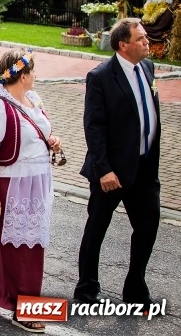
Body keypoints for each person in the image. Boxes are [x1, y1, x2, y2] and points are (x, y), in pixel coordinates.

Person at [0, 49, 62, 333]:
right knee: (19, 250)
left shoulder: (32, 99)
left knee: (29, 244)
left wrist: (52, 140)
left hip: (37, 182)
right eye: (32, 71)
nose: (35, 76)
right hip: (13, 183)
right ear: (23, 76)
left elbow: (40, 131)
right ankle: (26, 309)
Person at [74, 19, 162, 309]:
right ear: (123, 45)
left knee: (148, 226)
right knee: (97, 227)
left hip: (145, 169)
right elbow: (93, 127)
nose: (146, 41)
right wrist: (104, 169)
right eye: (140, 38)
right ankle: (87, 288)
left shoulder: (147, 68)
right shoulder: (100, 76)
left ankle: (135, 288)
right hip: (111, 171)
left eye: (145, 37)